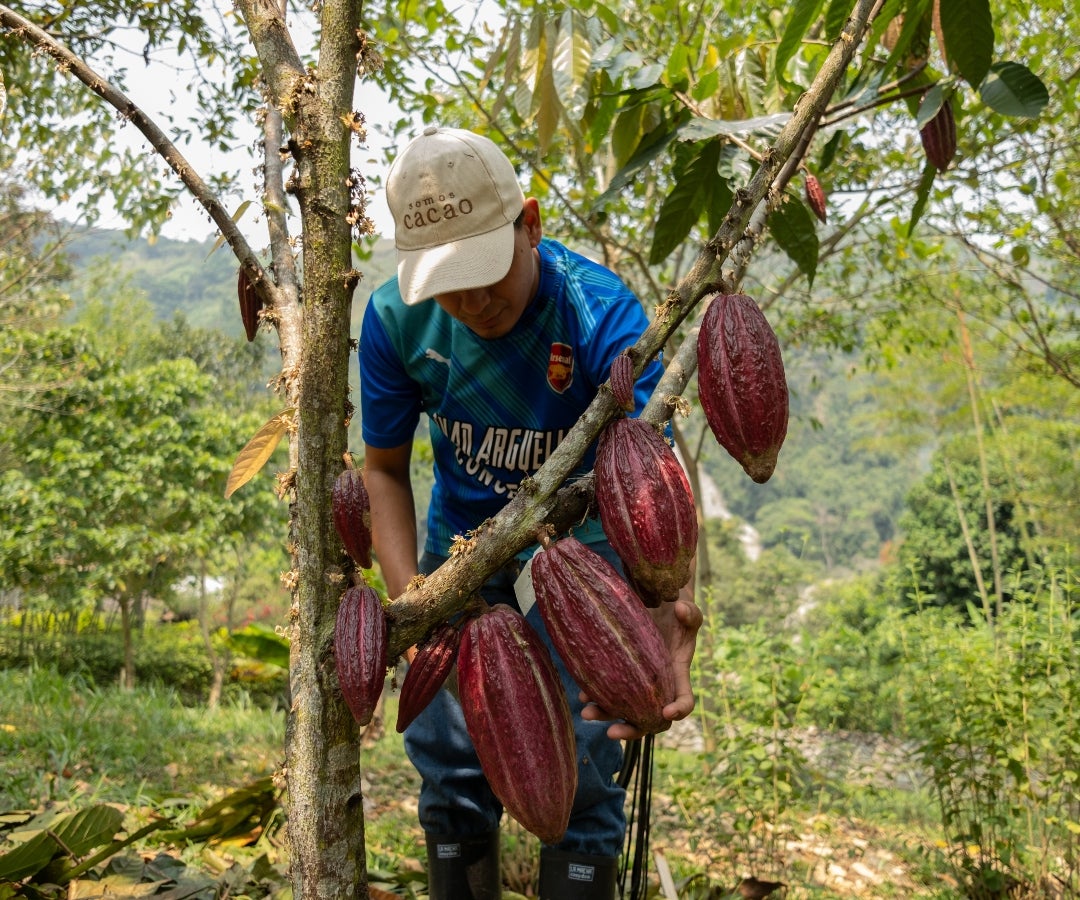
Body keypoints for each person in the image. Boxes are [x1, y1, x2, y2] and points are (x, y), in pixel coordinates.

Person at [358, 125, 702, 900]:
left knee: (584, 772)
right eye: (448, 281)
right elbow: (383, 470)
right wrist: (411, 599)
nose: (473, 301)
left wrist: (668, 610)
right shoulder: (396, 322)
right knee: (450, 773)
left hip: (582, 565)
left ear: (532, 225)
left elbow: (657, 473)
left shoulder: (597, 313)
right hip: (460, 564)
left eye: (485, 271)